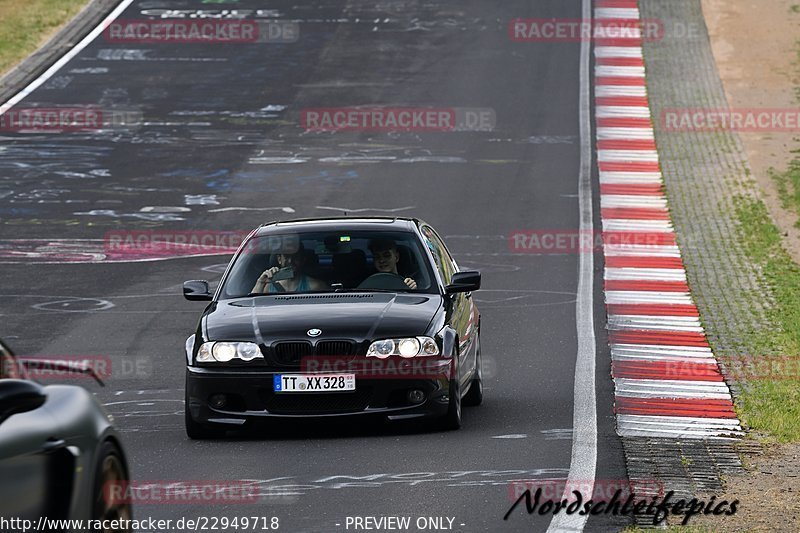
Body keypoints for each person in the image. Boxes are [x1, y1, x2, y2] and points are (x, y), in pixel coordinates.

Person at [251, 247, 329, 293]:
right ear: (279, 259)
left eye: (295, 257)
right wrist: (260, 282)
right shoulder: (267, 287)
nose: (290, 261)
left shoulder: (316, 286)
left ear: (303, 260)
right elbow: (251, 306)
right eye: (286, 256)